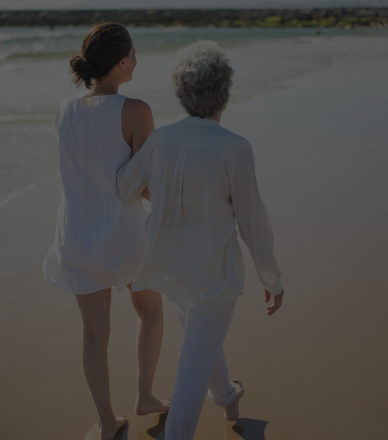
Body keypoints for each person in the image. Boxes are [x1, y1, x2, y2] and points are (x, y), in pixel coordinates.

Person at [117, 40, 284, 440]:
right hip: (211, 277)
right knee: (193, 364)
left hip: (169, 269)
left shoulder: (160, 140)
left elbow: (125, 187)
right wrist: (271, 279)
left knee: (200, 346)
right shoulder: (235, 148)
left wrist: (164, 188)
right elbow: (252, 222)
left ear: (181, 92)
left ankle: (227, 397)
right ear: (224, 92)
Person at [42, 22, 169, 440]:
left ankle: (107, 423)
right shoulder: (136, 110)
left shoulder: (64, 108)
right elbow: (143, 184)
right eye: (133, 53)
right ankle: (146, 397)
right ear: (120, 62)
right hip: (124, 232)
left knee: (94, 332)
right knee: (150, 311)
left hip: (76, 233)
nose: (137, 60)